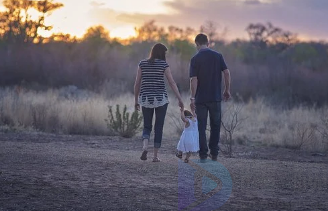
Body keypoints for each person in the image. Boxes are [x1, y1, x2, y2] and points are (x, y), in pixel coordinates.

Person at [134, 43, 184, 162]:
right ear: (162, 53)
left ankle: (145, 147)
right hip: (161, 99)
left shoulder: (142, 63)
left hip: (145, 99)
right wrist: (180, 98)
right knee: (159, 127)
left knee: (147, 125)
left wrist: (136, 100)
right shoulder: (163, 64)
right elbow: (172, 83)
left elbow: (137, 83)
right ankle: (155, 156)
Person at [189, 33, 231, 162]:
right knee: (215, 126)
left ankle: (203, 154)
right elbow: (226, 72)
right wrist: (227, 89)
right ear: (208, 43)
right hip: (215, 97)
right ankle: (214, 153)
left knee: (201, 127)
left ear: (197, 44)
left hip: (201, 99)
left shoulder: (195, 59)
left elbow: (193, 80)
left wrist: (192, 97)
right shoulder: (218, 56)